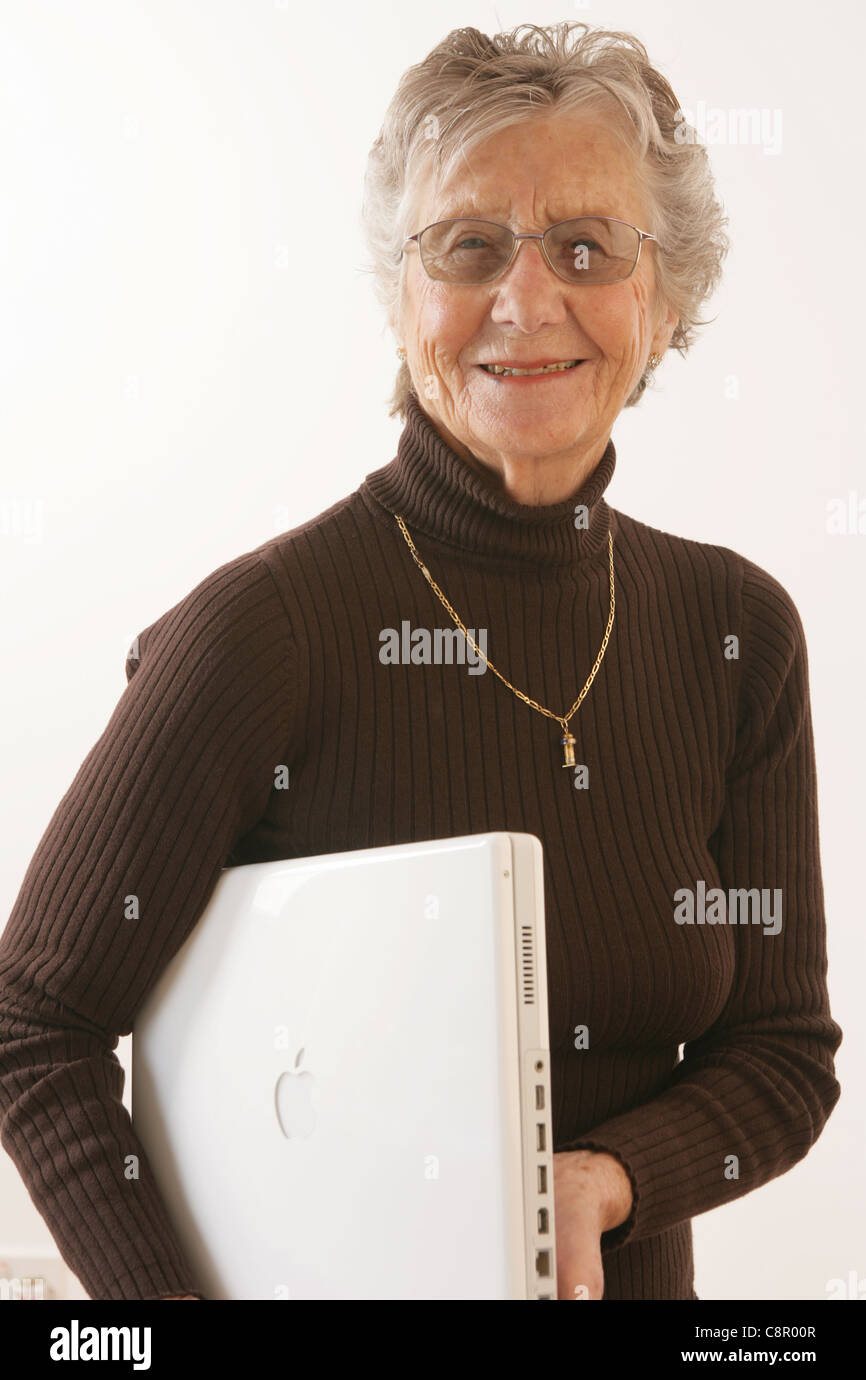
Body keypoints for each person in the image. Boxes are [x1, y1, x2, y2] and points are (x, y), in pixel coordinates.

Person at [0, 21, 842, 1301]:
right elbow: (31, 1026)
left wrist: (604, 1177)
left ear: (663, 302)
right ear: (401, 302)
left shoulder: (735, 634)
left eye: (584, 245)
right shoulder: (261, 631)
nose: (524, 297)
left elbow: (781, 1050)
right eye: (466, 246)